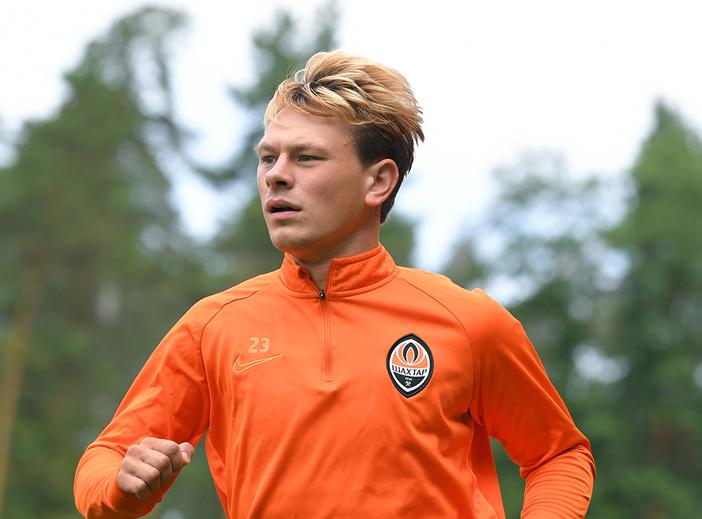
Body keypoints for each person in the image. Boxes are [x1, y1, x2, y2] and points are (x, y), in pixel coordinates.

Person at [74, 51, 595, 518]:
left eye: (306, 157)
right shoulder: (214, 326)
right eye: (268, 157)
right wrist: (121, 489)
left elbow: (558, 454)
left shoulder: (468, 322)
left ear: (378, 181)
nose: (276, 175)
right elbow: (104, 460)